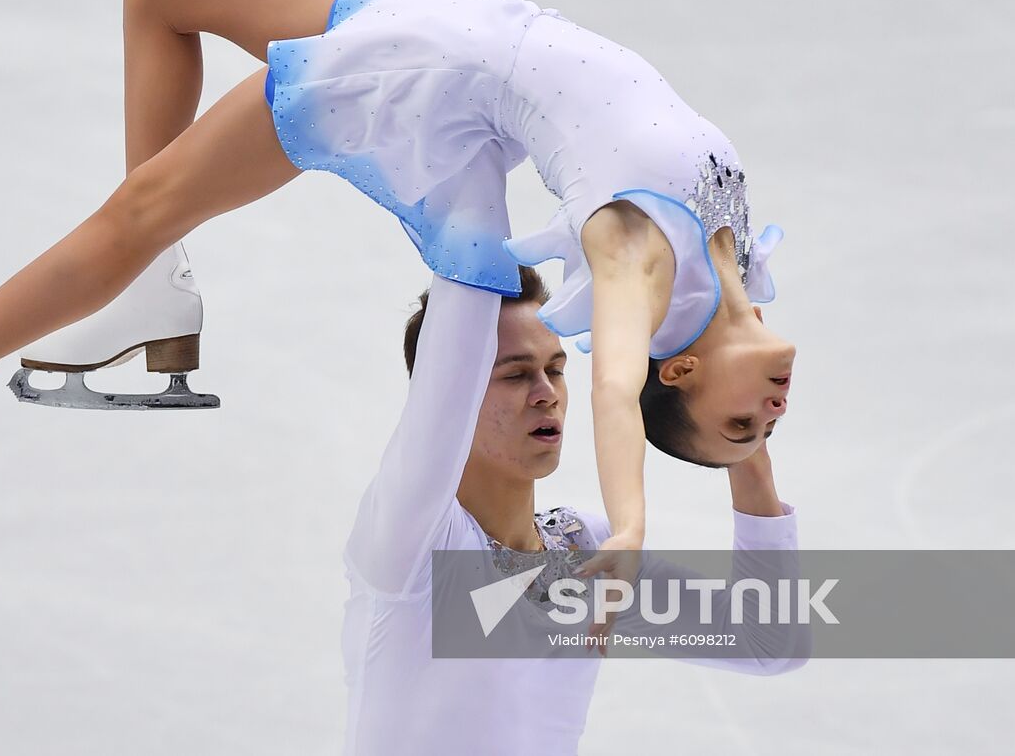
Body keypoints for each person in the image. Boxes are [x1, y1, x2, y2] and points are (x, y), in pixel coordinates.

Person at [0, 0, 797, 543]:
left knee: (140, 209)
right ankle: (149, 296)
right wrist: (743, 452)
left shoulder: (639, 262)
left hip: (420, 79)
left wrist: (630, 528)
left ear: (680, 368)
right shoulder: (733, 273)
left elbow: (615, 390)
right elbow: (709, 382)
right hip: (453, 24)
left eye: (741, 422)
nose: (770, 416)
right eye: (758, 425)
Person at [341, 264, 803, 755]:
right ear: (454, 394)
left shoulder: (584, 552)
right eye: (516, 374)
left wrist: (744, 433)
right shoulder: (414, 546)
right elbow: (459, 313)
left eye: (555, 370)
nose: (547, 394)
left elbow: (767, 644)